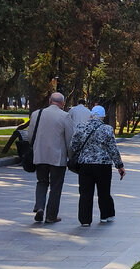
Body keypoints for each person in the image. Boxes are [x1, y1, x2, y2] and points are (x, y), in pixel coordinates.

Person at [71, 104, 126, 226]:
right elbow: (112, 149)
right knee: (104, 191)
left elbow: (73, 145)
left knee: (85, 193)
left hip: (85, 164)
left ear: (91, 115)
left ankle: (85, 220)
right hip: (103, 165)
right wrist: (119, 165)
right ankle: (105, 216)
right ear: (103, 117)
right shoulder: (107, 129)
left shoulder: (81, 127)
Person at [27, 92, 74, 223]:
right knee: (56, 186)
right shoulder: (65, 116)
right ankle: (51, 216)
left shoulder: (36, 114)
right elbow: (69, 139)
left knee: (41, 182)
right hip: (57, 158)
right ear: (62, 103)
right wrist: (71, 156)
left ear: (49, 101)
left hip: (40, 155)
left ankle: (40, 207)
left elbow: (30, 136)